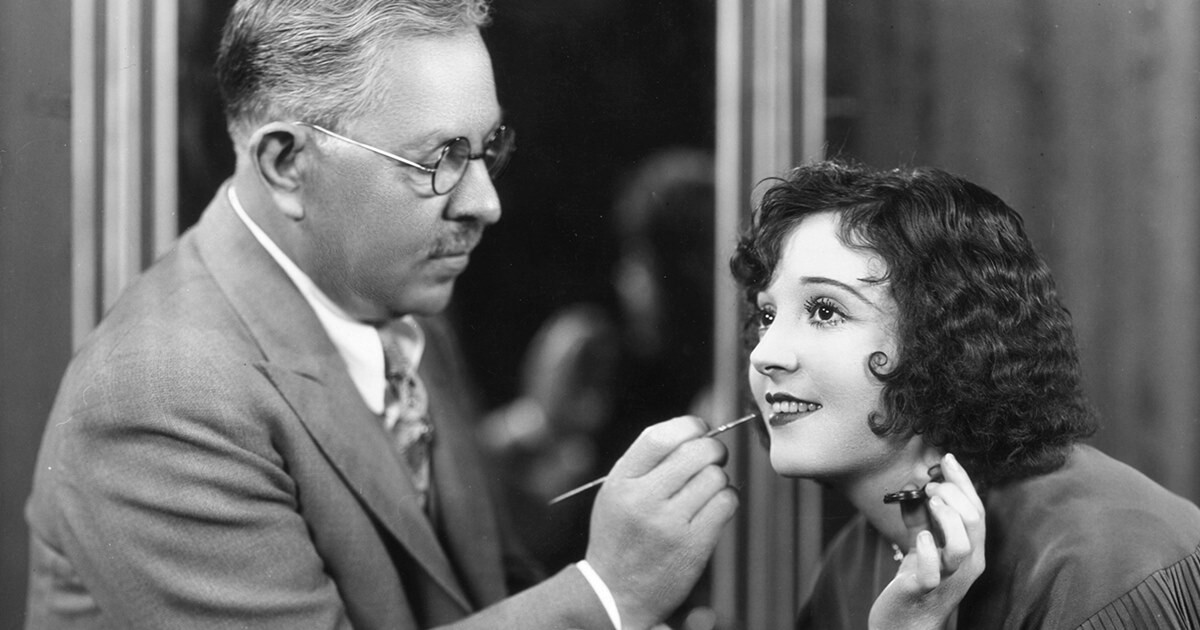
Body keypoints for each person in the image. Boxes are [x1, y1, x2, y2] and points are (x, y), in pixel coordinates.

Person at [22, 1, 978, 626]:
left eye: (488, 150)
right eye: (438, 159)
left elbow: (446, 580)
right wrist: (609, 591)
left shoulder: (395, 302)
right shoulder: (161, 399)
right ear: (285, 163)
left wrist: (537, 453)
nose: (484, 202)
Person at [731, 159, 1200, 629]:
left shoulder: (1104, 564)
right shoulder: (849, 565)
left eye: (825, 310)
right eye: (767, 315)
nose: (764, 355)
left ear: (941, 335)